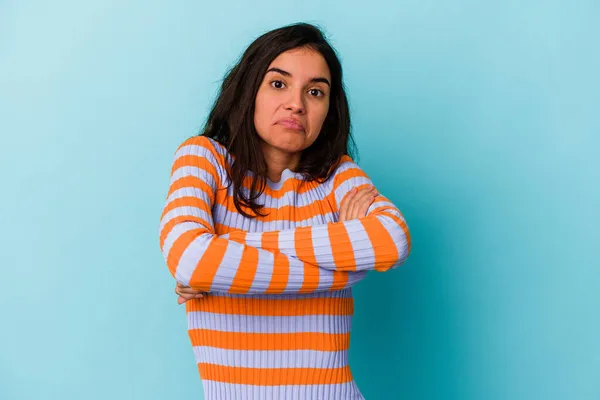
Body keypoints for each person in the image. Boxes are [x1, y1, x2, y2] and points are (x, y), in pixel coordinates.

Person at [158, 22, 411, 400]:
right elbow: (191, 259)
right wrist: (346, 270)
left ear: (328, 108)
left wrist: (227, 248)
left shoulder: (337, 177)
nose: (296, 103)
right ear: (250, 90)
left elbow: (391, 241)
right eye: (279, 83)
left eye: (315, 92)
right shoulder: (204, 158)